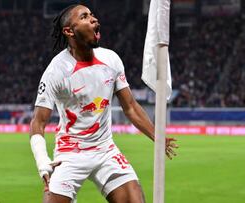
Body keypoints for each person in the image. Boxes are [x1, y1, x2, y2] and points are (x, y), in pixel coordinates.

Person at [29, 4, 178, 203]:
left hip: (105, 150)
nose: (93, 19)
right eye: (84, 17)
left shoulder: (111, 60)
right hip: (70, 153)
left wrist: (156, 136)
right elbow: (38, 122)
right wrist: (42, 161)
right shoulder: (56, 71)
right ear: (69, 31)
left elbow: (131, 107)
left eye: (92, 15)